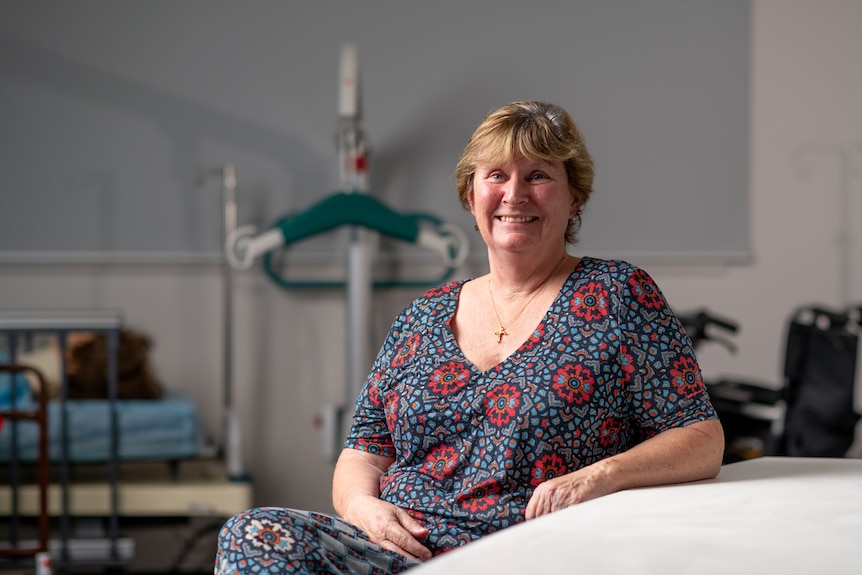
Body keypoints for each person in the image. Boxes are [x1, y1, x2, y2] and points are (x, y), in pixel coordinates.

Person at [214, 101, 724, 574]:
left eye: (539, 176)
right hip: (398, 549)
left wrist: (599, 477)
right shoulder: (423, 316)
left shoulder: (617, 293)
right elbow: (363, 451)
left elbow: (701, 438)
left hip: (528, 551)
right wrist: (363, 508)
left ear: (575, 200)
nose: (515, 194)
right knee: (251, 533)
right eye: (496, 175)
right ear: (470, 195)